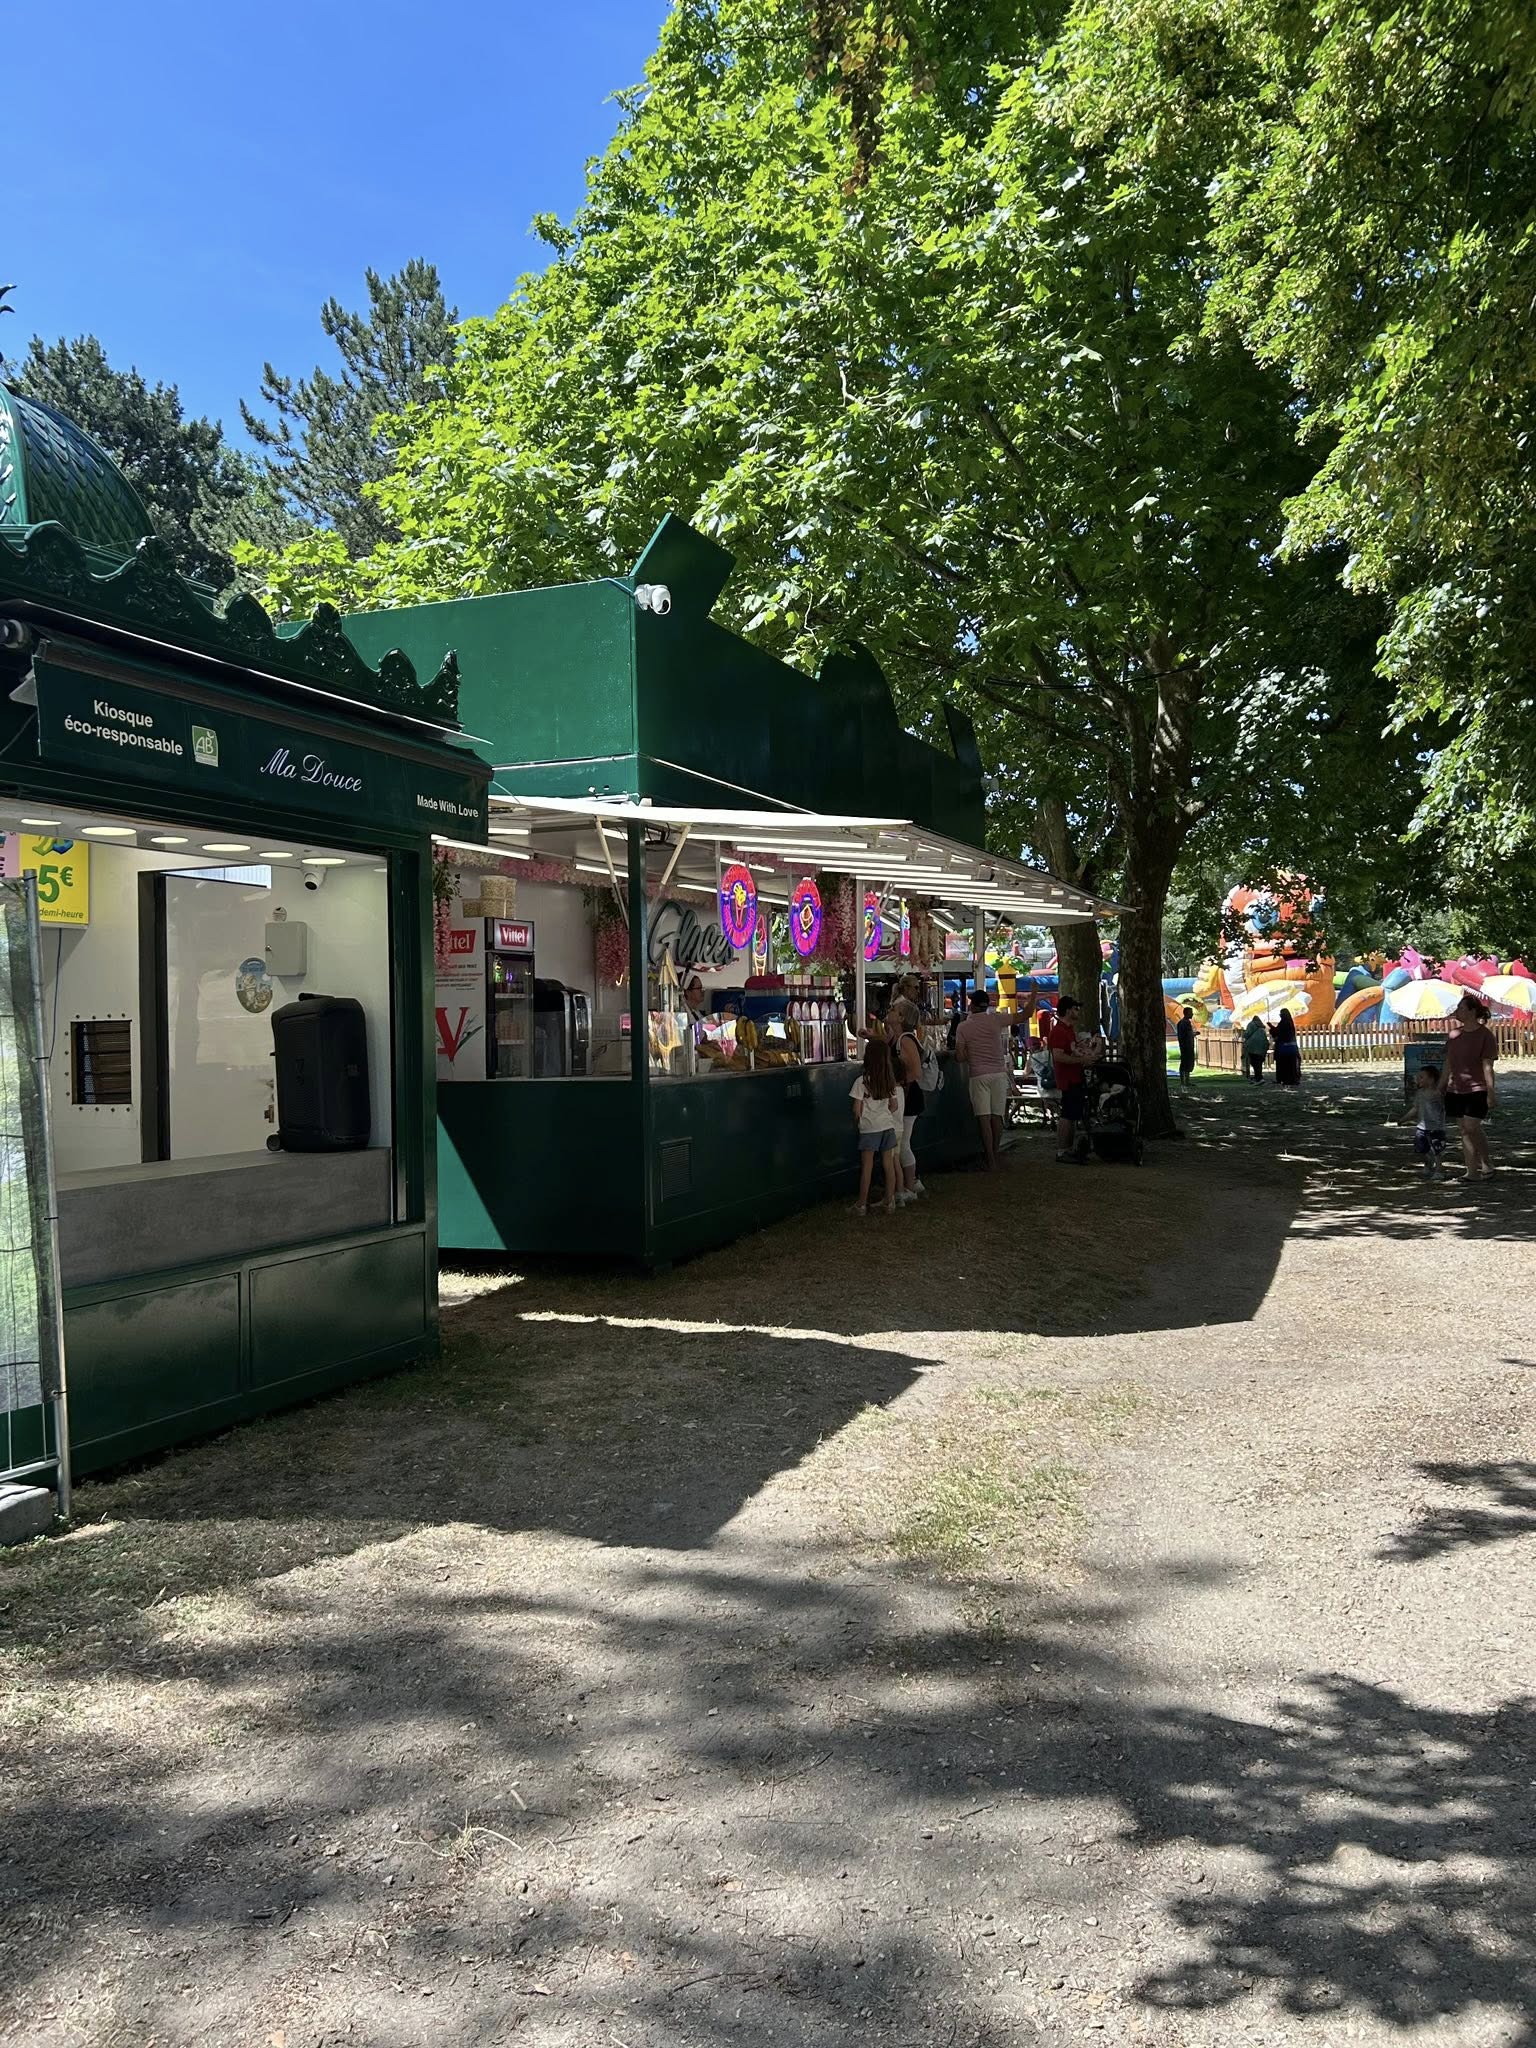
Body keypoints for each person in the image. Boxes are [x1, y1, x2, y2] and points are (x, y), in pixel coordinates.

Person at [1440, 991, 1498, 1179]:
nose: (1457, 1011)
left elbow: (1487, 1066)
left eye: (1461, 1008)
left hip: (1477, 1089)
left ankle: (1486, 1162)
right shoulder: (1454, 1035)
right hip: (1455, 1089)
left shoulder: (1485, 1036)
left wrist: (1490, 1092)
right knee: (1465, 1129)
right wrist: (1440, 1087)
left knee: (1471, 1127)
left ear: (1473, 1012)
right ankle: (1472, 1171)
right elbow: (1448, 1064)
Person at [954, 988, 1011, 1170]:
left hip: (978, 1074)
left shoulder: (963, 1026)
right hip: (999, 1072)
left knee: (984, 1118)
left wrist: (970, 1052)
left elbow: (960, 1056)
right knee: (997, 1116)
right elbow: (1023, 1015)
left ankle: (989, 1158)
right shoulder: (996, 1020)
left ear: (973, 1005)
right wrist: (1033, 996)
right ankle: (995, 1153)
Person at [850, 1035, 902, 1215]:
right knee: (889, 1165)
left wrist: (858, 1121)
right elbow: (894, 1106)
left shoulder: (861, 1082)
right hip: (887, 1127)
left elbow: (856, 1110)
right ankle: (890, 1201)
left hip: (869, 1129)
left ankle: (861, 1204)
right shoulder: (889, 1081)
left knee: (867, 1166)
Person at [1046, 994, 1091, 1162]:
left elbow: (1071, 1050)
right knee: (1067, 1115)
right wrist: (1081, 1060)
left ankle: (1068, 1148)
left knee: (1072, 1115)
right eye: (1075, 1008)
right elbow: (1058, 1056)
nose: (1078, 1011)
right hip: (1067, 1078)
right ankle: (1062, 1150)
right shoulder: (1058, 1031)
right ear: (1066, 1011)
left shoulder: (1069, 1030)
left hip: (1075, 1076)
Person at [891, 1018, 927, 1202]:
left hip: (908, 1097)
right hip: (905, 1096)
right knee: (902, 1143)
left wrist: (899, 1086)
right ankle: (911, 1182)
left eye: (895, 1011)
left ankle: (910, 1184)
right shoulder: (895, 1038)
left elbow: (916, 1072)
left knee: (903, 1143)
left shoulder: (905, 1040)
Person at [1412, 1063, 1448, 1178]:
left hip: (1436, 1128)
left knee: (1437, 1151)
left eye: (1422, 1077)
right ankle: (1428, 1165)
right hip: (1421, 1128)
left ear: (1431, 1079)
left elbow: (1445, 1107)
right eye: (1418, 1077)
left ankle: (1439, 1171)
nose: (1418, 1079)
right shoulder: (1419, 1093)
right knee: (1423, 1150)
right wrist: (1402, 1120)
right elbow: (1415, 1109)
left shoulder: (1438, 1094)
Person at [1271, 1007, 1302, 1086]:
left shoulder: (1283, 1023)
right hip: (1292, 1048)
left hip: (1283, 1048)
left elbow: (1279, 1033)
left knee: (1284, 1064)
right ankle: (1291, 1079)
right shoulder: (1290, 1023)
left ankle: (1285, 1079)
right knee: (1291, 1065)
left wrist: (1272, 1029)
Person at [1242, 1013, 1269, 1083]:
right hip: (1262, 1046)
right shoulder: (1262, 1028)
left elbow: (1247, 1034)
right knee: (1259, 1062)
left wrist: (1243, 1034)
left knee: (1254, 1062)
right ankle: (1259, 1076)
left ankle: (1258, 1077)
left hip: (1252, 1046)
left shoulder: (1251, 1024)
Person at [1176, 1005, 1197, 1086]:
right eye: (1191, 1013)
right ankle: (1185, 1082)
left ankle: (1184, 1081)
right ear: (1187, 1013)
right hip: (1187, 1046)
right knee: (1186, 1063)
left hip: (1183, 1046)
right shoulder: (1186, 1023)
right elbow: (1188, 1034)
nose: (1192, 1014)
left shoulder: (1180, 1023)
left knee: (1185, 1063)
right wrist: (1195, 1034)